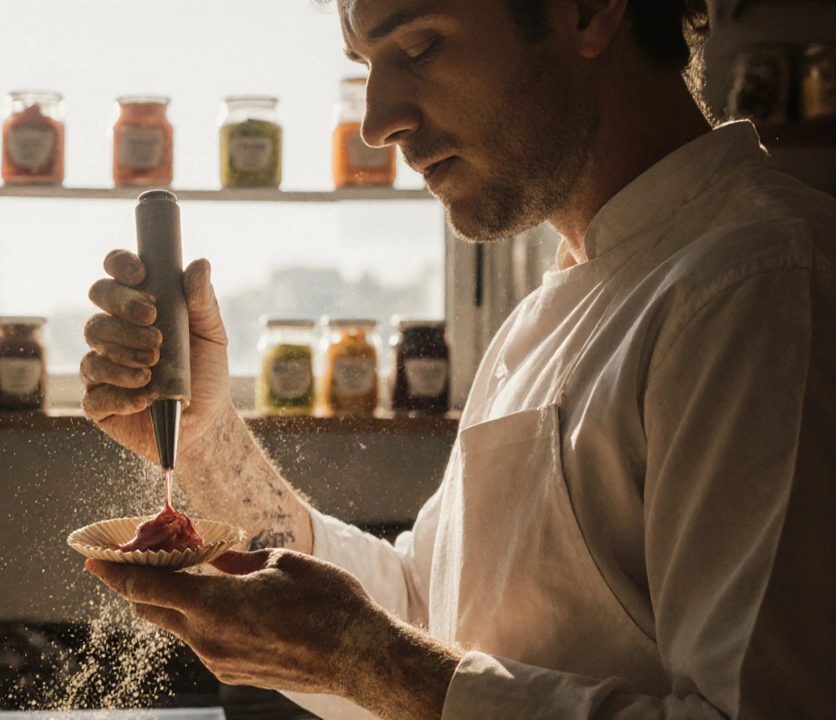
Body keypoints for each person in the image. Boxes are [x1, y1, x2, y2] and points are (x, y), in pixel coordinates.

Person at [78, 0, 836, 716]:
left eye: (420, 47)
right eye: (366, 64)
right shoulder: (563, 305)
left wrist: (366, 662)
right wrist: (208, 441)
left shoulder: (759, 285)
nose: (378, 122)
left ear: (590, 9)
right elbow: (422, 616)